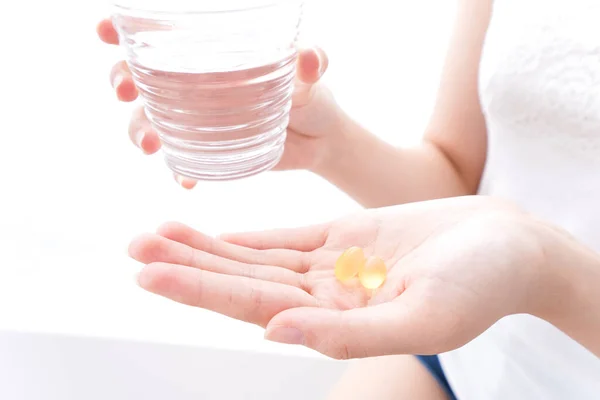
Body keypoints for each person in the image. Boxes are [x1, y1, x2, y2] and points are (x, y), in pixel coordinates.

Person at [96, 0, 600, 398]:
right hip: (482, 349)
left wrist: (546, 271)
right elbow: (457, 183)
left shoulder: (532, 265)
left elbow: (524, 256)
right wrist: (331, 145)